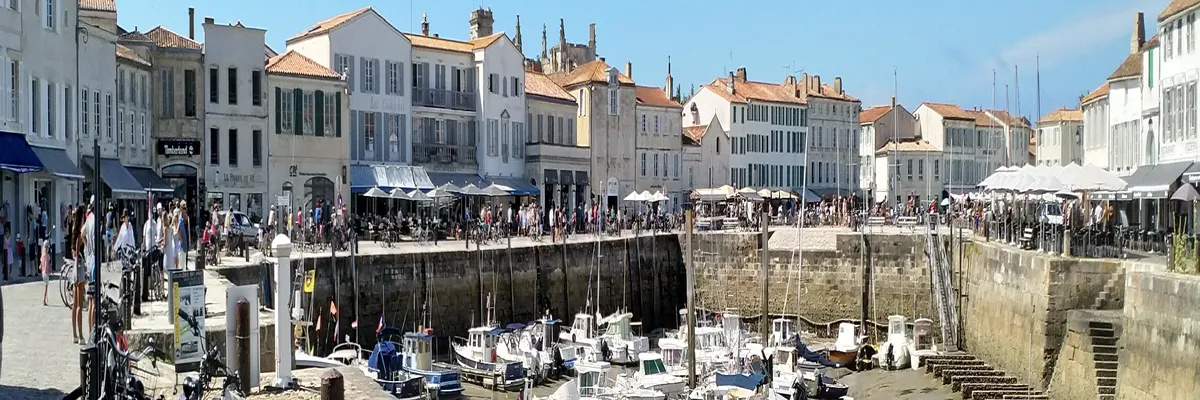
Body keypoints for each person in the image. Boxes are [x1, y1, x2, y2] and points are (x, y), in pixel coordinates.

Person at [41, 237, 50, 306]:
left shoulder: (42, 255)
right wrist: (49, 270)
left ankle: (44, 299)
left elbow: (41, 265)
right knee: (46, 287)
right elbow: (47, 264)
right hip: (46, 272)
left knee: (45, 286)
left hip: (43, 272)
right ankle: (44, 300)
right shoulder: (47, 256)